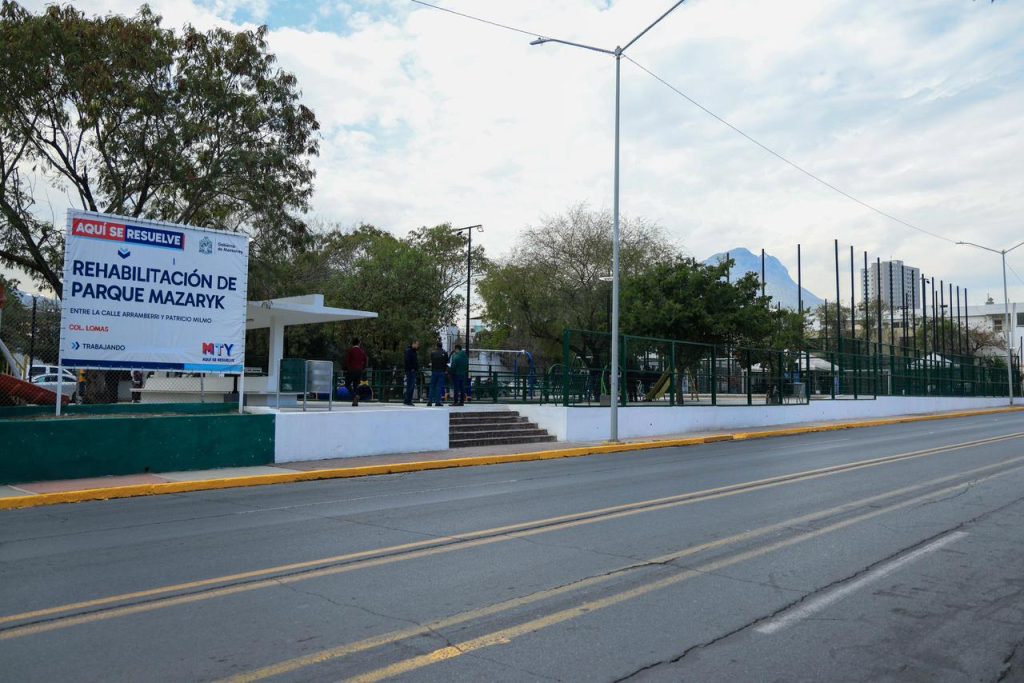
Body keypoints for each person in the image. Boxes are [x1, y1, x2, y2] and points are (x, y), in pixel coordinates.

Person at [344, 337, 368, 407]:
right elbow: (366, 360)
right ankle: (355, 402)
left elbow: (347, 361)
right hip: (359, 370)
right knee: (356, 385)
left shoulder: (350, 350)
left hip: (352, 370)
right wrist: (363, 368)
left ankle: (355, 396)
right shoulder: (362, 351)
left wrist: (348, 368)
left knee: (347, 384)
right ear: (359, 343)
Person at [428, 341, 449, 407]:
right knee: (439, 387)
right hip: (441, 372)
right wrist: (446, 370)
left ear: (436, 346)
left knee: (432, 386)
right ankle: (437, 402)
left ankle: (430, 401)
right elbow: (447, 363)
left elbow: (431, 362)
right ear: (441, 346)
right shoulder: (445, 353)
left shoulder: (433, 353)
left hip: (434, 371)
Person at [403, 340, 420, 406]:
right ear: (413, 344)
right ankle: (408, 400)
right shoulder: (409, 351)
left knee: (410, 385)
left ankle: (407, 400)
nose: (418, 346)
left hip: (411, 370)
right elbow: (407, 361)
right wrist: (412, 368)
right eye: (417, 344)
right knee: (411, 385)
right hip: (410, 371)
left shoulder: (413, 351)